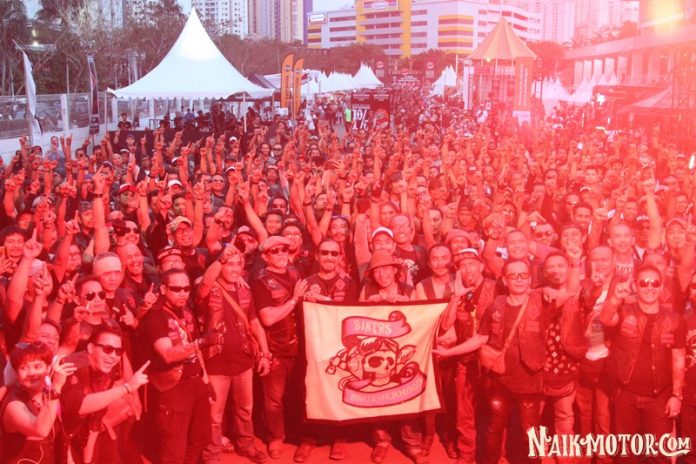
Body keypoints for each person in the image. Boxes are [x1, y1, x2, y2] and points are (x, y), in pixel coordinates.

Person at [600, 264, 686, 463]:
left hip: (659, 398)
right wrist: (615, 298)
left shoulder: (675, 320)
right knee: (626, 455)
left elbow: (679, 358)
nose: (649, 287)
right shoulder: (624, 312)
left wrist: (676, 396)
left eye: (654, 283)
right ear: (636, 286)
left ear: (661, 286)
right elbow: (605, 319)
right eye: (644, 283)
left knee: (659, 456)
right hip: (625, 395)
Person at [140, 269, 223, 464]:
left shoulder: (186, 311)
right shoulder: (155, 316)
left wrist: (205, 380)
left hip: (195, 383)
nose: (183, 293)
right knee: (174, 448)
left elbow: (196, 348)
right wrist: (202, 342)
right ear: (163, 289)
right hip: (173, 388)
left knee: (200, 438)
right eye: (176, 289)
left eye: (186, 289)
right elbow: (167, 354)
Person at [197, 246, 270, 464]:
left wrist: (264, 353)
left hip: (243, 362)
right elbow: (205, 283)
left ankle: (247, 445)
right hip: (216, 364)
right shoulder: (208, 289)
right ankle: (212, 455)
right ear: (220, 265)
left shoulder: (245, 289)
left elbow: (254, 322)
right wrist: (221, 259)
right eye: (229, 264)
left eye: (238, 264)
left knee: (245, 410)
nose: (234, 269)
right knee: (214, 415)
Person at [249, 236, 306, 459]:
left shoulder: (294, 273)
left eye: (284, 249)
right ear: (265, 257)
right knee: (273, 400)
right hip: (276, 348)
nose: (282, 253)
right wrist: (294, 300)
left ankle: (296, 433)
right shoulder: (260, 281)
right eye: (275, 251)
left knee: (297, 394)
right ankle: (276, 437)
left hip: (299, 347)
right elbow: (268, 318)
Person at [61, 325, 149, 464]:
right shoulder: (73, 363)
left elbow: (96, 418)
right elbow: (78, 405)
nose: (113, 356)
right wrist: (126, 388)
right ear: (91, 348)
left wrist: (87, 460)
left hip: (84, 433)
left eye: (118, 351)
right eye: (108, 349)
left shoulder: (109, 370)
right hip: (57, 437)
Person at [1, 342, 76, 464]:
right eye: (24, 368)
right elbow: (40, 430)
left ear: (48, 369)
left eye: (37, 367)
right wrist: (56, 387)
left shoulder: (47, 396)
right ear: (17, 374)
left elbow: (61, 437)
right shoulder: (13, 404)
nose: (31, 373)